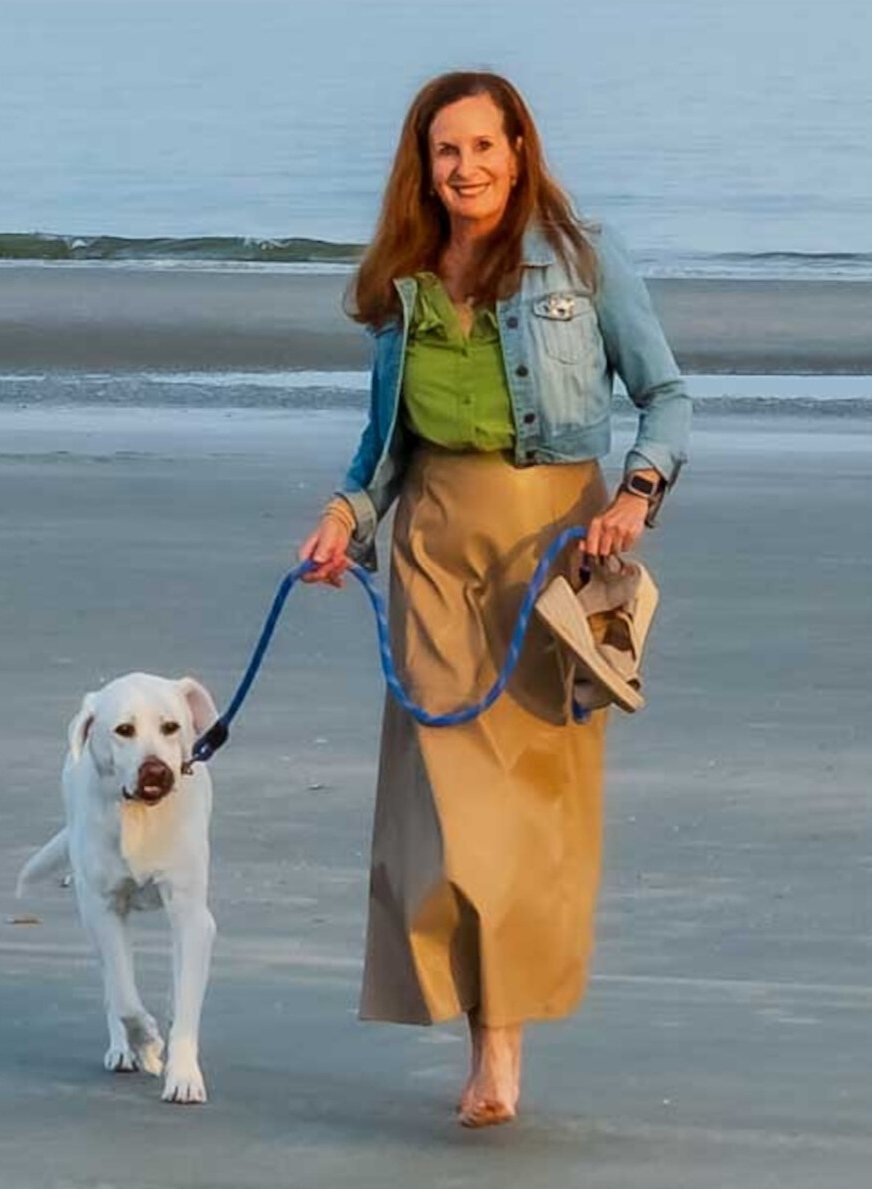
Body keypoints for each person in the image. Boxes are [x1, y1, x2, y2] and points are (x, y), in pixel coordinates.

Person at [295, 70, 690, 1129]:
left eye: (481, 145)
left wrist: (637, 495)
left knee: (528, 808)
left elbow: (664, 395)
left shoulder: (583, 259)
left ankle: (500, 1041)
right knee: (448, 811)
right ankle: (486, 1034)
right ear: (421, 166)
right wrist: (343, 519)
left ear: (518, 146)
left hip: (553, 551)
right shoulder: (403, 283)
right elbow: (380, 447)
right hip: (430, 545)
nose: (463, 168)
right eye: (444, 151)